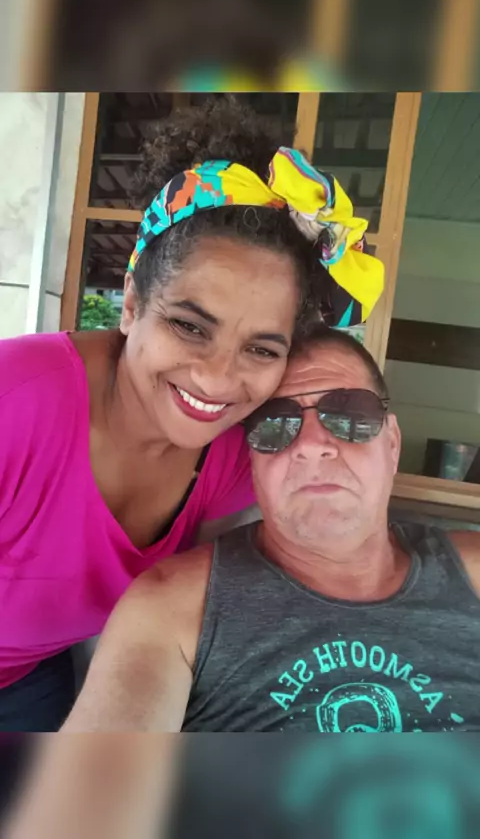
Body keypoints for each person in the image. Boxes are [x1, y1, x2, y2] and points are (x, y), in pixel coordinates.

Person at [0, 97, 383, 733]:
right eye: (189, 326)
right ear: (130, 305)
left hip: (31, 680)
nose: (216, 378)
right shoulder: (16, 402)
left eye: (261, 349)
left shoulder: (239, 450)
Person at [8, 325, 480, 839]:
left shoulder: (471, 570)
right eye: (276, 425)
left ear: (391, 442)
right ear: (250, 461)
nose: (313, 445)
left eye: (350, 414)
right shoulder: (174, 608)